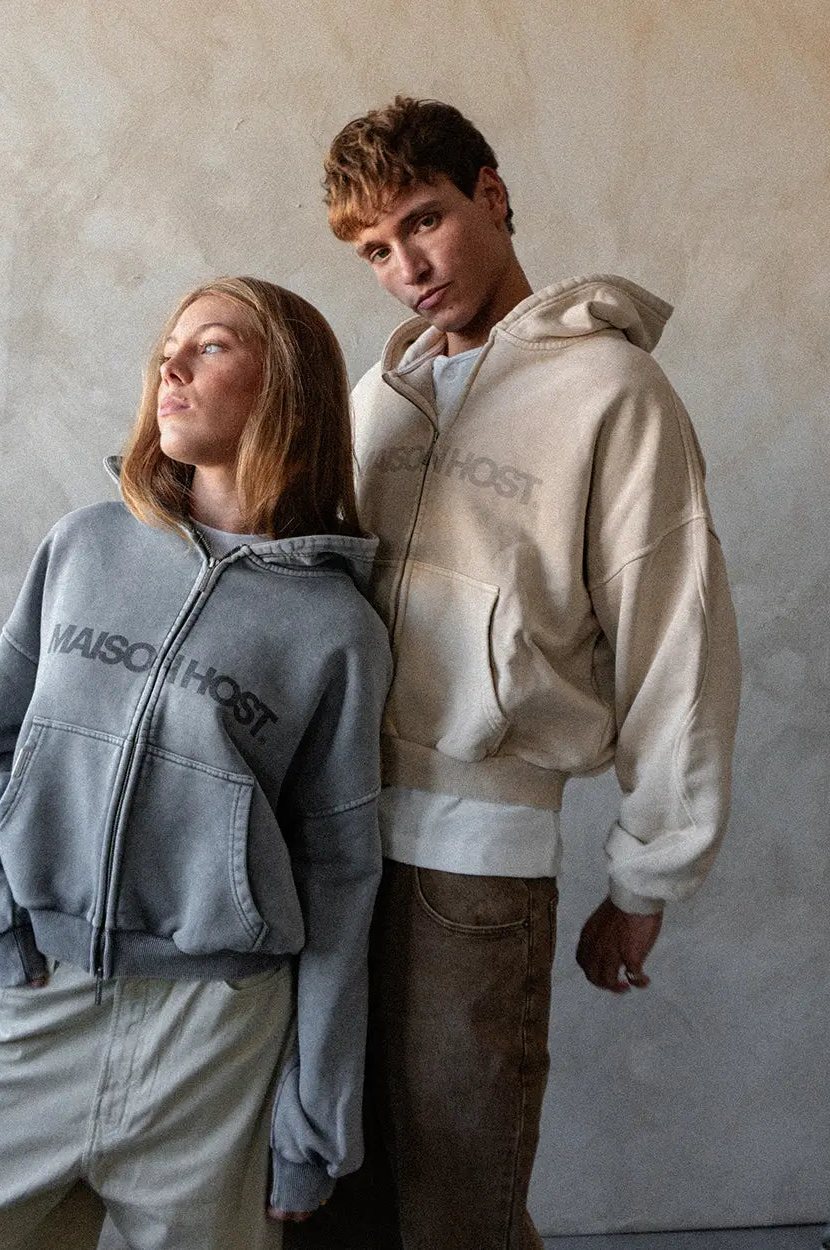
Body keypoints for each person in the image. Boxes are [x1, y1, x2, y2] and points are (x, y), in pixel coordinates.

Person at [290, 97, 742, 1250]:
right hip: (331, 848)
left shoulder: (612, 393)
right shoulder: (374, 404)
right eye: (374, 249)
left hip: (476, 860)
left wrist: (647, 874)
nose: (405, 267)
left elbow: (673, 635)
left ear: (490, 196)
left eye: (422, 220)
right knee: (329, 1185)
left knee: (459, 1198)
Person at [0, 277, 393, 1250]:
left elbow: (341, 877)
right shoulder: (83, 547)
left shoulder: (337, 628)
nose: (171, 368)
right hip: (42, 999)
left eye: (210, 346)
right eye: (168, 349)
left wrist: (314, 1123)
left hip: (214, 1033)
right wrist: (0, 930)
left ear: (285, 383)